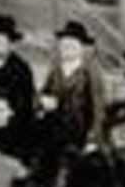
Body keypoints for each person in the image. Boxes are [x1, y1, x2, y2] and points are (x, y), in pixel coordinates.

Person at [39, 20, 108, 163]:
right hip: (54, 128)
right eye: (64, 44)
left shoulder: (90, 71)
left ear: (81, 47)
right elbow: (44, 91)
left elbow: (98, 107)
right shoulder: (56, 68)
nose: (67, 47)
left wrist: (93, 139)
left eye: (72, 44)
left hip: (78, 132)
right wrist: (43, 101)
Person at [0, 14, 38, 165]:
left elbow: (24, 106)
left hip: (13, 132)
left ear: (11, 44)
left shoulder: (21, 69)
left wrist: (5, 115)